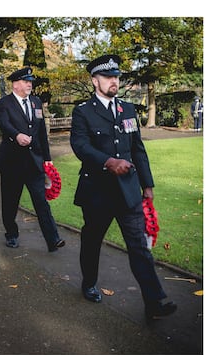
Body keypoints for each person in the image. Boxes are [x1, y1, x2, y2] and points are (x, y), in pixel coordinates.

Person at [70, 54, 177, 319]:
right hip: (97, 193)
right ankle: (89, 282)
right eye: (108, 77)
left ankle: (154, 301)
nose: (114, 81)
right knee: (92, 241)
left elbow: (137, 149)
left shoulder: (128, 110)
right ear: (95, 81)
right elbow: (80, 146)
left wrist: (147, 185)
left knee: (139, 246)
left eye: (117, 77)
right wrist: (108, 161)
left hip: (128, 191)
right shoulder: (83, 111)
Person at [0, 67, 65, 251]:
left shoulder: (36, 102)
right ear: (15, 84)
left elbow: (41, 133)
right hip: (12, 163)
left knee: (41, 202)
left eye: (30, 81)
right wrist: (16, 135)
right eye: (26, 81)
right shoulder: (4, 103)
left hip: (34, 162)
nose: (29, 84)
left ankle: (53, 239)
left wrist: (47, 158)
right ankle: (11, 234)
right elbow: (4, 123)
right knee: (10, 203)